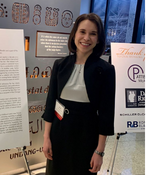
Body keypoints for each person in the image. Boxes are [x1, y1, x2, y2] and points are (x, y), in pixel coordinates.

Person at [42, 13, 115, 175]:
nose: (86, 38)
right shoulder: (60, 65)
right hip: (59, 131)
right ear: (74, 34)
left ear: (98, 39)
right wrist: (46, 138)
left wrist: (100, 151)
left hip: (87, 134)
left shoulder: (105, 70)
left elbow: (106, 114)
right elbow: (50, 104)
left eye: (93, 33)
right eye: (82, 32)